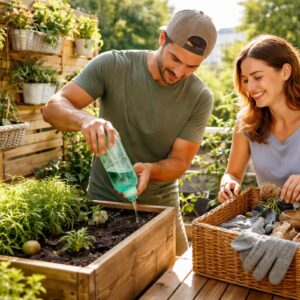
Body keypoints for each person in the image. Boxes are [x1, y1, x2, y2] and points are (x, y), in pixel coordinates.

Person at [42, 10, 217, 255]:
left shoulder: (200, 97)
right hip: (104, 202)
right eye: (175, 59)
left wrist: (151, 169)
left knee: (179, 280)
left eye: (191, 66)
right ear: (162, 39)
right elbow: (52, 108)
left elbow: (179, 161)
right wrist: (85, 120)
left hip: (161, 206)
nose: (179, 72)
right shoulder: (113, 65)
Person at [218, 34, 300, 205]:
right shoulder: (247, 122)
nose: (250, 87)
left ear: (285, 71)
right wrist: (228, 183)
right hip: (272, 224)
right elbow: (232, 173)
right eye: (245, 80)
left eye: (257, 77)